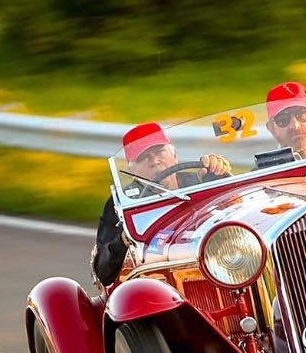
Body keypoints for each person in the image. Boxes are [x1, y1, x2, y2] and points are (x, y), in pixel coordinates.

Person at [92, 122, 231, 286]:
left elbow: (234, 215)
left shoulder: (200, 182)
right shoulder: (121, 204)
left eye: (160, 152)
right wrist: (123, 239)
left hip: (217, 266)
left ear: (175, 156)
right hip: (155, 282)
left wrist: (220, 175)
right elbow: (103, 271)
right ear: (133, 171)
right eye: (144, 158)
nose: (155, 161)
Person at [264, 81, 306, 159]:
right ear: (271, 128)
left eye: (301, 114)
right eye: (283, 119)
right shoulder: (267, 171)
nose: (295, 126)